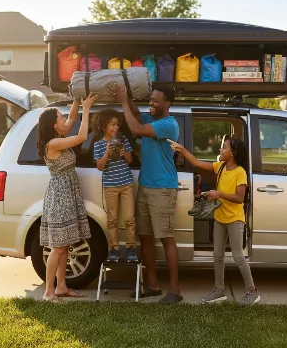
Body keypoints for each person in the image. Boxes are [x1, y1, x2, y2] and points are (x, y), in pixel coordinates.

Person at [109, 84, 182, 304]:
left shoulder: (169, 124)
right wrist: (127, 95)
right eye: (150, 99)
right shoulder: (151, 119)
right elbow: (136, 114)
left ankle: (175, 291)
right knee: (145, 237)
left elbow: (136, 130)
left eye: (155, 101)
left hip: (163, 188)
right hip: (146, 185)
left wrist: (123, 101)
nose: (151, 103)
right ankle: (152, 285)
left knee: (166, 238)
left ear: (167, 103)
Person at [170, 137, 261, 305]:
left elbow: (240, 198)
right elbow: (197, 163)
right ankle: (219, 290)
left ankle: (252, 291)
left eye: (224, 147)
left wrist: (219, 194)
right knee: (217, 255)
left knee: (238, 256)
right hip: (220, 217)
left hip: (234, 219)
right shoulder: (220, 167)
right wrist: (182, 150)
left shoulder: (240, 172)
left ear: (232, 153)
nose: (220, 150)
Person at [37, 92, 98, 301]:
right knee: (58, 247)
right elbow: (81, 136)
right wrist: (87, 108)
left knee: (65, 245)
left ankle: (62, 287)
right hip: (60, 196)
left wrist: (76, 100)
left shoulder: (59, 137)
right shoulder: (53, 143)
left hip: (67, 192)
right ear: (54, 125)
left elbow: (72, 119)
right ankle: (49, 291)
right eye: (60, 118)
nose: (65, 119)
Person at [92, 109, 138, 263]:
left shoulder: (123, 139)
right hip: (110, 186)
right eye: (112, 124)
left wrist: (124, 152)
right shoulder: (98, 144)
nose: (116, 128)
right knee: (112, 220)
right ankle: (114, 249)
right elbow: (100, 166)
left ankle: (131, 248)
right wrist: (106, 153)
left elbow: (130, 160)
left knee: (130, 218)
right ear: (104, 125)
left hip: (126, 183)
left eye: (117, 124)